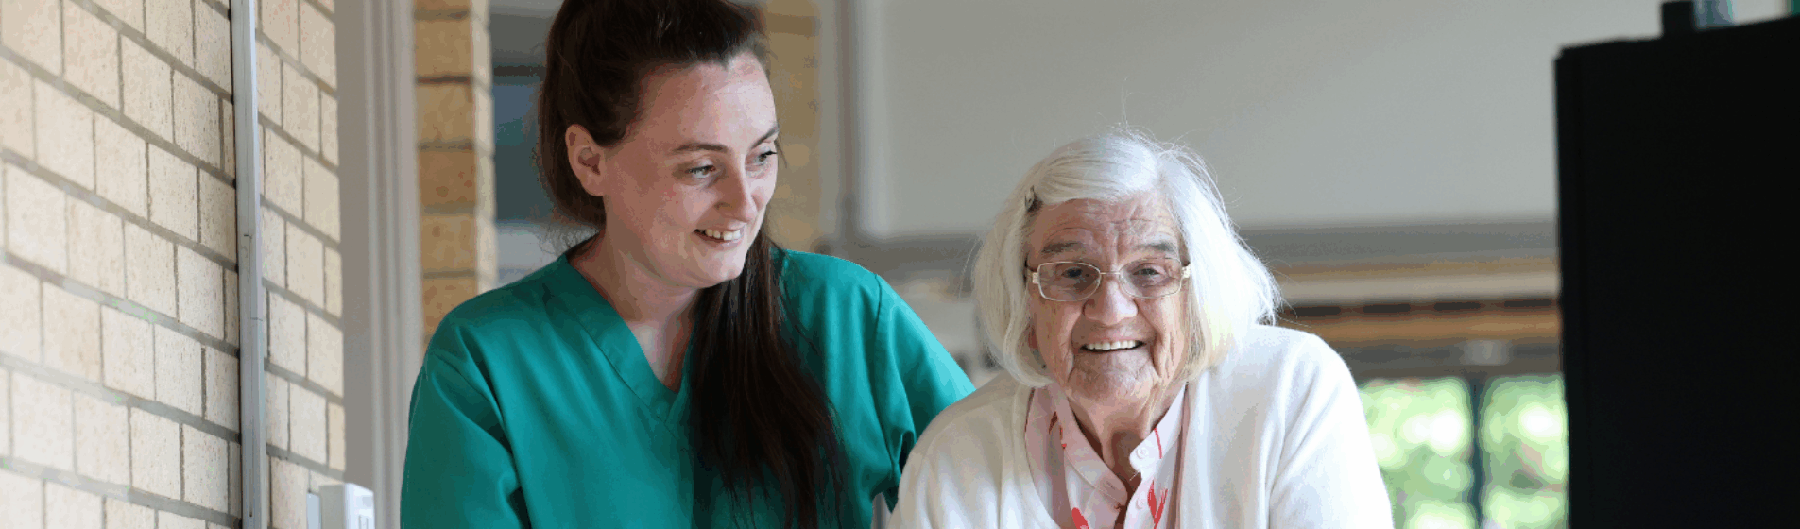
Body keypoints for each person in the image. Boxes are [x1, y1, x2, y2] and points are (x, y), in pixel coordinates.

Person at [399, 1, 974, 526]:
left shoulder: (848, 316)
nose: (745, 202)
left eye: (762, 155)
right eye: (701, 168)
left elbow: (999, 481)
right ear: (590, 161)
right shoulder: (485, 364)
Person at [890, 129, 1392, 528]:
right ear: (1024, 301)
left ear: (1198, 295)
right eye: (1072, 273)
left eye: (1149, 271)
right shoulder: (957, 457)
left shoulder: (1288, 390)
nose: (1110, 311)